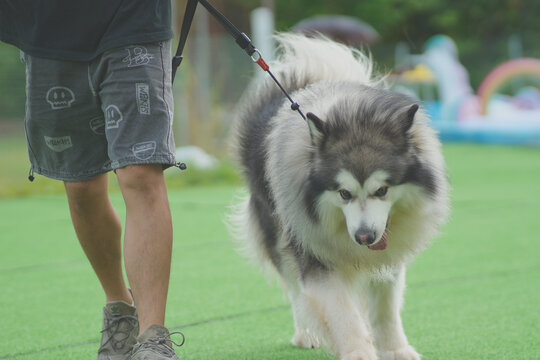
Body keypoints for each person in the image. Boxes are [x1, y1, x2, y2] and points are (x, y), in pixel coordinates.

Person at [0, 1, 183, 359]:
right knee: (81, 183)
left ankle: (153, 339)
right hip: (46, 28)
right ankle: (120, 310)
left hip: (134, 19)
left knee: (141, 172)